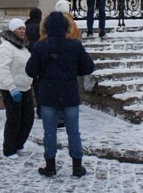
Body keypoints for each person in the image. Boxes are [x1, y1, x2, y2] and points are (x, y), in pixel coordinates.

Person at [25, 11, 95, 178]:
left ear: (46, 27)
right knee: (73, 131)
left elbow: (30, 71)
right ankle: (77, 167)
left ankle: (50, 166)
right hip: (69, 92)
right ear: (66, 27)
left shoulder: (40, 46)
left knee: (49, 132)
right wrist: (71, 70)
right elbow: (88, 67)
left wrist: (44, 70)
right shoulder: (75, 46)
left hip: (48, 93)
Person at [0, 18, 35, 159]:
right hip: (11, 88)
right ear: (13, 30)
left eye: (23, 28)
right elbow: (3, 69)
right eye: (19, 28)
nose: (22, 31)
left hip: (25, 88)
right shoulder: (5, 47)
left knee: (28, 117)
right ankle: (9, 148)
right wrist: (12, 88)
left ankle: (19, 144)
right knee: (14, 119)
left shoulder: (23, 47)